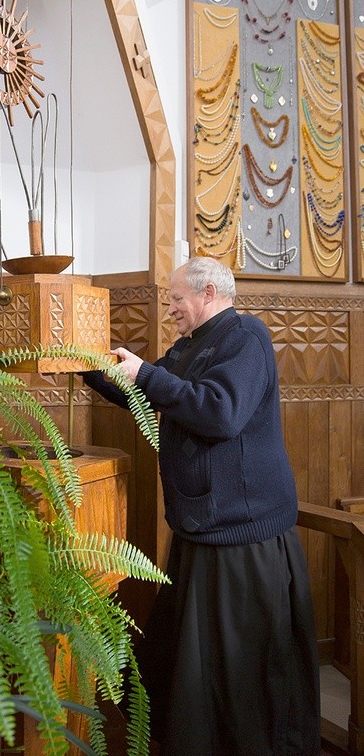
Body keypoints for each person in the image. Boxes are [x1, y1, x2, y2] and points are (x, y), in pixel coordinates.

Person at [82, 256, 321, 756]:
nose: (170, 309)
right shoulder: (190, 346)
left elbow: (221, 412)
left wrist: (146, 372)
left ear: (208, 292)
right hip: (201, 527)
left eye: (175, 299)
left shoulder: (245, 337)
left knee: (240, 667)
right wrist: (90, 366)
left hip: (243, 534)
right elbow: (149, 395)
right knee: (191, 663)